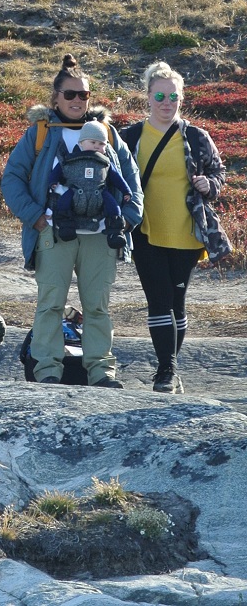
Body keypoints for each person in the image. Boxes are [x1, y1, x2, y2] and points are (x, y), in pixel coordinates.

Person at [1, 52, 143, 388]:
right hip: (54, 233)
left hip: (100, 236)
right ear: (56, 97)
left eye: (84, 94)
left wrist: (129, 217)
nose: (78, 100)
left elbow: (131, 176)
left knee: (98, 308)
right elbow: (12, 179)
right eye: (70, 94)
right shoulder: (39, 133)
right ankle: (48, 371)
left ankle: (101, 374)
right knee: (50, 305)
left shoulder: (106, 132)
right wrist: (36, 218)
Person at [121, 61, 228, 394]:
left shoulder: (197, 137)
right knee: (159, 299)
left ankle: (170, 366)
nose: (167, 102)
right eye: (160, 96)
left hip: (186, 232)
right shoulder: (131, 137)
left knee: (177, 302)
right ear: (148, 98)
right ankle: (166, 371)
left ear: (182, 99)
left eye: (174, 97)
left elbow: (219, 174)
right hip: (145, 231)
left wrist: (209, 185)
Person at [48, 122, 133, 252]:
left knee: (113, 207)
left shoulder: (106, 163)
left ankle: (115, 233)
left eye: (101, 144)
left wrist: (126, 191)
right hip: (74, 190)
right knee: (63, 203)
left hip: (100, 192)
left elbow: (117, 177)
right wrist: (52, 181)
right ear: (81, 142)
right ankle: (66, 227)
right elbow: (59, 169)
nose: (97, 147)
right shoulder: (70, 159)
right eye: (93, 142)